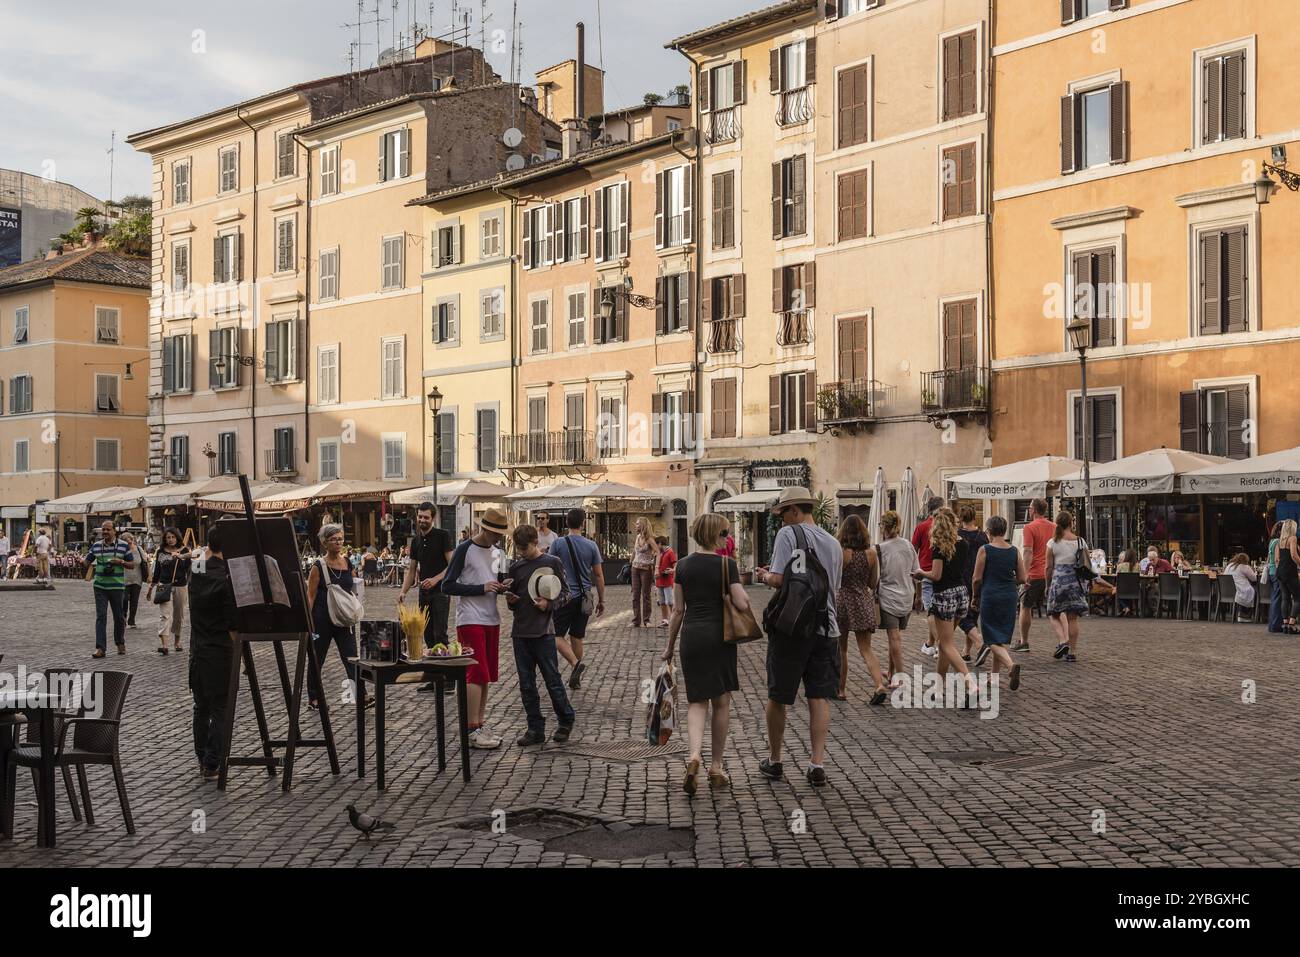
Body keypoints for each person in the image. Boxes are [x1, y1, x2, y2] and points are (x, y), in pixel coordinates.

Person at [755, 487, 844, 788]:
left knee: (778, 695)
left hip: (793, 628)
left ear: (794, 511)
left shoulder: (789, 535)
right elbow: (834, 587)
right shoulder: (833, 543)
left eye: (782, 514)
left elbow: (780, 579)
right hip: (827, 628)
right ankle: (817, 764)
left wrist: (764, 576)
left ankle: (776, 759)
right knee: (819, 696)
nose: (780, 521)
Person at [662, 513, 751, 795]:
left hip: (692, 638)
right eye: (725, 533)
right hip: (720, 639)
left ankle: (693, 757)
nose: (727, 537)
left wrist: (668, 648)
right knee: (721, 703)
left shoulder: (683, 566)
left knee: (697, 702)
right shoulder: (727, 565)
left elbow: (677, 611)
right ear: (716, 535)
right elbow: (742, 601)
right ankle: (715, 767)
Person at [442, 507, 511, 748]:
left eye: (500, 534)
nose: (497, 538)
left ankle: (480, 724)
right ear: (484, 529)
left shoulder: (498, 552)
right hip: (470, 618)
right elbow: (447, 586)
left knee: (486, 675)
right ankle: (471, 728)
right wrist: (480, 588)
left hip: (491, 618)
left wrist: (504, 587)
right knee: (475, 673)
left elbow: (496, 581)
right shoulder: (464, 549)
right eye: (494, 533)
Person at [505, 524, 575, 746]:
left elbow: (567, 593)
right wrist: (511, 601)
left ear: (536, 542)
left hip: (544, 633)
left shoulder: (552, 562)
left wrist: (549, 604)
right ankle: (535, 727)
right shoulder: (516, 568)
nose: (521, 552)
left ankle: (565, 720)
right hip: (521, 632)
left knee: (552, 680)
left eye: (524, 548)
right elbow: (514, 600)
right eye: (518, 548)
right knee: (526, 685)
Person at [188, 523, 240, 781]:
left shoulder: (197, 569)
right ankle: (211, 762)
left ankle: (202, 758)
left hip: (198, 649)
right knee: (221, 707)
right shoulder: (228, 577)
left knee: (202, 706)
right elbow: (232, 621)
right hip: (220, 649)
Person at [914, 508, 980, 703]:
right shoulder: (964, 544)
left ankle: (971, 684)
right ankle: (940, 688)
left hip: (944, 596)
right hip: (961, 594)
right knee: (944, 643)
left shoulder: (939, 547)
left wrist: (920, 573)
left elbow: (936, 575)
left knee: (947, 644)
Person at [306, 523, 365, 711]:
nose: (338, 542)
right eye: (333, 539)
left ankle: (360, 695)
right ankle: (314, 698)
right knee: (317, 659)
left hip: (344, 619)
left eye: (340, 539)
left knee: (351, 658)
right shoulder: (318, 566)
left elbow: (353, 586)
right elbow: (310, 595)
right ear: (325, 542)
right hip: (322, 620)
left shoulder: (347, 562)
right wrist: (307, 623)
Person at [550, 508, 606, 690]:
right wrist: (601, 600)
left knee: (555, 635)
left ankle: (575, 663)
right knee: (577, 636)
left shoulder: (558, 543)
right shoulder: (591, 546)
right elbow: (598, 575)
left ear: (567, 523)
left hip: (564, 596)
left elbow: (549, 568)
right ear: (583, 523)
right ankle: (576, 675)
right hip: (584, 597)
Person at [399, 503, 453, 692]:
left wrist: (436, 579)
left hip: (441, 592)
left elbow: (452, 566)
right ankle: (434, 678)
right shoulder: (415, 541)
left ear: (433, 518)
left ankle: (449, 680)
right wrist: (403, 591)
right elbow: (412, 570)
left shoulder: (443, 536)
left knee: (440, 634)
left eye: (426, 517)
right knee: (428, 637)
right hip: (424, 594)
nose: (422, 520)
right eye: (420, 517)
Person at [836, 514, 886, 705]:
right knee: (866, 649)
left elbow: (835, 578)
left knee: (842, 649)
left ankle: (840, 690)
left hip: (844, 600)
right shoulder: (871, 554)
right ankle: (879, 684)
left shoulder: (842, 552)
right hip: (863, 601)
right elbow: (873, 583)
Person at [970, 516, 1024, 690]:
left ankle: (1010, 665)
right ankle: (993, 679)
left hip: (990, 594)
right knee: (999, 636)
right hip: (1009, 595)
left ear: (989, 531)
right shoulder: (1015, 551)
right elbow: (1022, 577)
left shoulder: (985, 550)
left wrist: (975, 596)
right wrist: (1008, 581)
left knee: (990, 637)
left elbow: (977, 578)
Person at [875, 510, 919, 687]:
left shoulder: (879, 549)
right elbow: (917, 572)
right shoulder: (908, 545)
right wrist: (919, 595)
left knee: (894, 638)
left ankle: (900, 677)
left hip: (889, 597)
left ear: (884, 527)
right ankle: (892, 672)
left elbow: (875, 577)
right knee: (896, 637)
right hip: (907, 595)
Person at [1045, 510, 1089, 662]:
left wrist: (1047, 585)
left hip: (1058, 581)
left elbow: (1048, 567)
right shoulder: (1080, 542)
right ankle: (1072, 652)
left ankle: (1063, 640)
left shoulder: (1052, 543)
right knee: (1072, 619)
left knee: (1053, 614)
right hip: (1075, 582)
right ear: (1071, 524)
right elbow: (1087, 563)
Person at [85, 520, 134, 659]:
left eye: (108, 529)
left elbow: (132, 565)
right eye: (103, 530)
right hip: (100, 586)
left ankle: (120, 642)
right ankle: (100, 648)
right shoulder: (96, 546)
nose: (105, 532)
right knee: (101, 617)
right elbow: (86, 561)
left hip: (117, 586)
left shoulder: (124, 546)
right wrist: (87, 562)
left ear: (114, 531)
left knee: (119, 617)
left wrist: (121, 562)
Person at [1013, 498, 1055, 653]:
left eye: (1030, 508)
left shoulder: (1029, 527)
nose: (1028, 511)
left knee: (1025, 607)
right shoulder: (1054, 527)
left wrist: (1024, 573)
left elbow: (1028, 551)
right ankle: (1064, 641)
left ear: (1034, 510)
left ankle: (1024, 641)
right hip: (1050, 574)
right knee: (1056, 610)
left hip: (1035, 573)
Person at [146, 527, 191, 656]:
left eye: (173, 537)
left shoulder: (185, 551)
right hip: (163, 585)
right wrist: (150, 588)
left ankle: (177, 642)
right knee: (164, 615)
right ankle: (165, 645)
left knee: (179, 615)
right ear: (164, 539)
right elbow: (157, 573)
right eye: (168, 537)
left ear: (177, 538)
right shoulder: (160, 552)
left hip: (180, 586)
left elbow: (189, 570)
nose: (170, 540)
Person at [911, 496, 945, 658]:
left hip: (925, 572)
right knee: (937, 611)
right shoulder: (947, 527)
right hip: (944, 573)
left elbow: (913, 550)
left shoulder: (922, 527)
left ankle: (940, 645)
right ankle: (929, 644)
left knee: (931, 612)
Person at [956, 506, 988, 662]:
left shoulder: (958, 536)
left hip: (962, 579)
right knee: (973, 615)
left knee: (962, 616)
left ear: (960, 518)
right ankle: (966, 652)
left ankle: (979, 643)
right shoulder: (982, 536)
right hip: (979, 579)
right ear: (975, 517)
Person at [630, 518, 656, 628]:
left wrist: (653, 561)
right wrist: (630, 561)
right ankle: (636, 620)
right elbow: (634, 551)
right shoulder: (637, 537)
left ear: (643, 525)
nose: (636, 525)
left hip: (646, 569)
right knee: (635, 595)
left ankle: (646, 620)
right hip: (635, 568)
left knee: (646, 595)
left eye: (637, 524)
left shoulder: (650, 538)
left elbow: (657, 551)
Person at [1276, 520, 1300, 635]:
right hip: (1290, 571)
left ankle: (1285, 624)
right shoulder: (1293, 538)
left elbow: (1277, 559)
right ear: (1293, 528)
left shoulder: (1279, 541)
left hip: (1280, 571)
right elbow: (1294, 555)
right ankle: (1291, 624)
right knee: (1298, 598)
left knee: (1285, 598)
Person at [120, 532, 149, 629]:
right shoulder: (121, 551)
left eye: (130, 541)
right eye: (127, 542)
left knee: (134, 600)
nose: (129, 543)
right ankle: (123, 617)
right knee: (124, 599)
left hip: (137, 578)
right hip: (124, 578)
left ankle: (132, 620)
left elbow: (145, 562)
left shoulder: (139, 549)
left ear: (133, 540)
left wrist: (149, 576)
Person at [1223, 552, 1258, 622]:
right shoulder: (1245, 567)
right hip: (1241, 589)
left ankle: (1240, 614)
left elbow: (1224, 575)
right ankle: (1245, 615)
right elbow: (1254, 578)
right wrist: (1255, 573)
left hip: (1228, 591)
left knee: (1249, 591)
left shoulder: (1229, 566)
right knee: (1254, 592)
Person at [1267, 523, 1286, 634]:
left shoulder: (1272, 542)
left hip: (1271, 572)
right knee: (1278, 600)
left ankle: (1272, 625)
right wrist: (1281, 571)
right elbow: (1277, 559)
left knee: (1274, 599)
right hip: (1276, 572)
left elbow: (1269, 558)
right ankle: (1275, 625)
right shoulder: (1278, 542)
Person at [654, 535, 677, 627]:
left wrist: (671, 571)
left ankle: (673, 619)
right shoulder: (659, 553)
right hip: (659, 581)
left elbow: (675, 565)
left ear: (660, 543)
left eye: (656, 544)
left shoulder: (670, 552)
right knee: (662, 602)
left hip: (667, 582)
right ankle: (665, 620)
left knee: (670, 602)